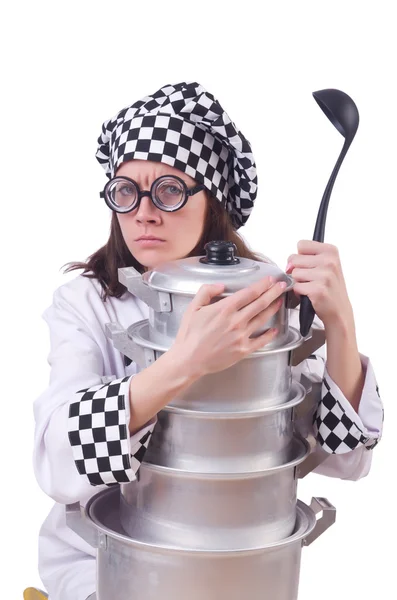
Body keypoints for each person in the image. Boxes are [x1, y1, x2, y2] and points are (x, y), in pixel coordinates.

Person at [32, 81, 384, 600]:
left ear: (211, 200)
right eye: (125, 190)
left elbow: (346, 458)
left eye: (170, 190)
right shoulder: (87, 302)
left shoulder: (259, 292)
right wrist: (184, 363)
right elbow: (57, 462)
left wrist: (340, 324)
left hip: (240, 569)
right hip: (107, 566)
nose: (143, 212)